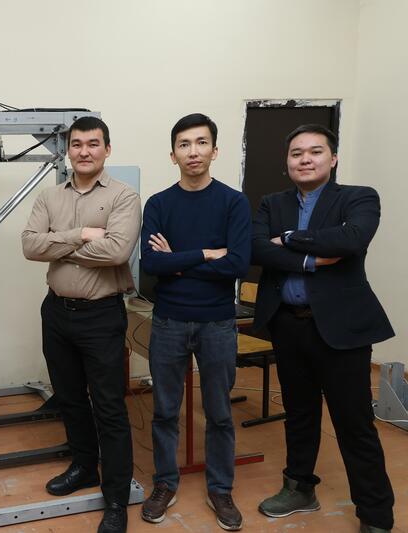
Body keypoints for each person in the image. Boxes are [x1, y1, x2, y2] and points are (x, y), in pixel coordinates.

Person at [251, 124, 394, 533]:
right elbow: (256, 248)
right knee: (298, 414)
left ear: (333, 158)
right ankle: (299, 488)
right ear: (287, 162)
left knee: (354, 424)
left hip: (341, 330)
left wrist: (288, 238)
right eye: (296, 153)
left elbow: (350, 240)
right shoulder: (271, 203)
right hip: (287, 325)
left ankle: (375, 515)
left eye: (315, 151)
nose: (305, 159)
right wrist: (311, 258)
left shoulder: (358, 197)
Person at [21, 116, 140, 533]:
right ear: (68, 150)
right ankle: (85, 467)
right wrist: (81, 235)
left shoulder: (124, 196)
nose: (84, 151)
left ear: (107, 149)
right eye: (77, 144)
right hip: (56, 313)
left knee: (109, 407)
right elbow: (29, 245)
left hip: (101, 316)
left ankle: (116, 499)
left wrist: (58, 245)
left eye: (93, 144)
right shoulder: (49, 196)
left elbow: (117, 252)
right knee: (70, 398)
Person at [140, 113, 250, 531]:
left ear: (215, 151)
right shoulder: (158, 204)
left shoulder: (233, 202)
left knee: (219, 412)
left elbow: (237, 264)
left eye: (201, 143)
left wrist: (178, 261)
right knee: (165, 411)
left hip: (217, 323)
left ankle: (220, 488)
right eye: (184, 144)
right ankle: (165, 483)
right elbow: (152, 265)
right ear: (173, 155)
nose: (193, 151)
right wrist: (205, 254)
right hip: (169, 321)